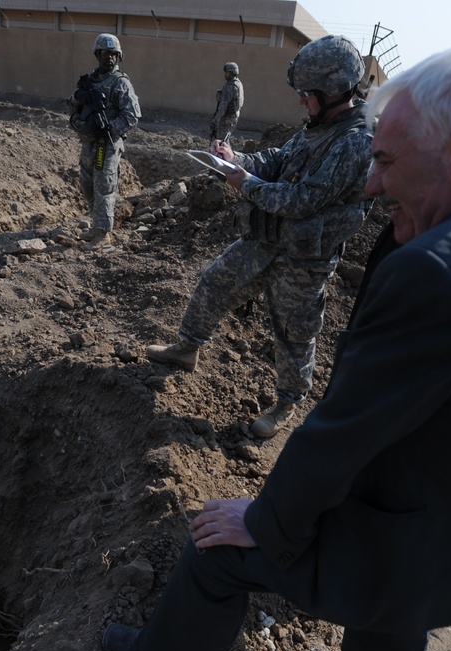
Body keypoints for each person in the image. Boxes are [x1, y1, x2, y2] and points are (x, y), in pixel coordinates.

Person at [104, 42, 451, 651]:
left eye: (385, 160)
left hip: (398, 541)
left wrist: (267, 523)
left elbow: (341, 433)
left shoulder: (439, 271)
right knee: (393, 621)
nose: (374, 184)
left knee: (213, 555)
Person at [147, 35, 374, 438]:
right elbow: (276, 160)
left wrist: (245, 183)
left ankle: (286, 405)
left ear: (334, 90)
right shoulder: (316, 129)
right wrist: (237, 160)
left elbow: (302, 200)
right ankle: (187, 349)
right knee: (215, 281)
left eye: (308, 94)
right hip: (267, 241)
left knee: (293, 332)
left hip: (305, 258)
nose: (301, 101)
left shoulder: (356, 142)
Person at [67, 33, 141, 249]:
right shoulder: (88, 81)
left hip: (106, 144)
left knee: (104, 187)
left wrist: (108, 129)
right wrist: (77, 99)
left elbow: (131, 116)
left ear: (118, 57)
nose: (109, 58)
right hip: (88, 142)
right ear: (97, 55)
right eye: (105, 53)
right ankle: (95, 226)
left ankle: (103, 234)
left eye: (114, 54)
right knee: (87, 186)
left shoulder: (121, 83)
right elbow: (70, 107)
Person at [210, 61, 244, 144]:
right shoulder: (238, 83)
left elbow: (223, 106)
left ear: (232, 73)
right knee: (225, 139)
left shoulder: (231, 87)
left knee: (221, 141)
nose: (225, 75)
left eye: (227, 73)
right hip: (233, 116)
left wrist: (215, 120)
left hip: (227, 117)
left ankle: (224, 156)